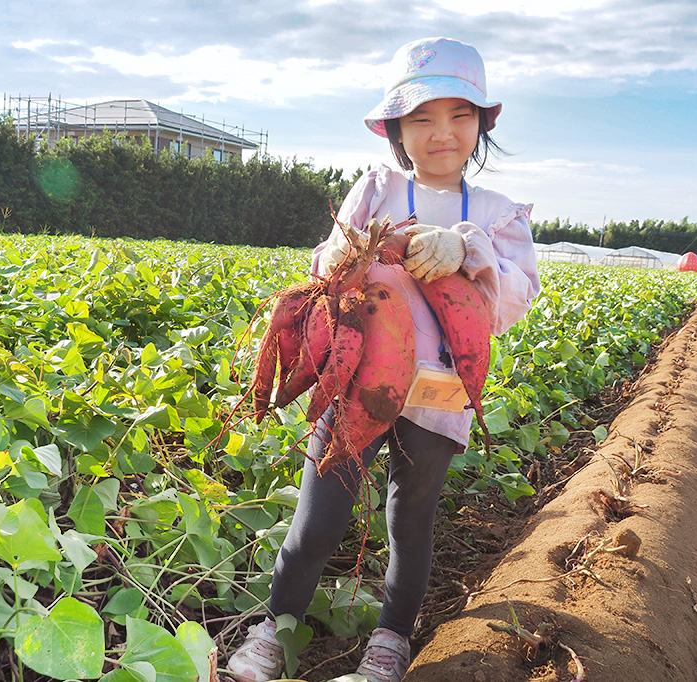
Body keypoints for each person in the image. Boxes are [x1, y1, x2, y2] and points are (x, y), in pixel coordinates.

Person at [225, 36, 541, 682]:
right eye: (421, 118)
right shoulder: (377, 190)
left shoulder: (496, 214)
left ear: (481, 123)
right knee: (317, 520)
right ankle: (273, 631)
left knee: (409, 523)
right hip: (356, 383)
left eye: (458, 115)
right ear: (396, 130)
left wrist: (467, 251)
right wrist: (351, 255)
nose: (441, 133)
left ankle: (391, 640)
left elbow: (515, 299)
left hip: (437, 396)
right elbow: (325, 265)